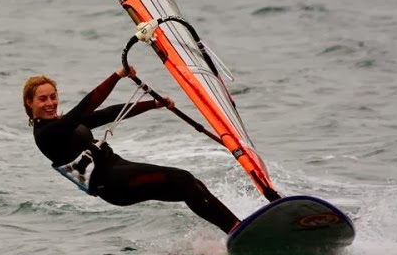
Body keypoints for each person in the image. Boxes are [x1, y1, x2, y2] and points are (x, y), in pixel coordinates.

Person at [23, 66, 241, 234]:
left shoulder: (63, 123)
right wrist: (117, 76)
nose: (50, 102)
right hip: (112, 184)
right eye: (43, 99)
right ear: (29, 103)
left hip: (117, 169)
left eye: (53, 96)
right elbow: (87, 105)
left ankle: (235, 228)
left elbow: (108, 113)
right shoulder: (46, 134)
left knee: (190, 184)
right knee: (182, 179)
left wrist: (153, 104)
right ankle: (235, 229)